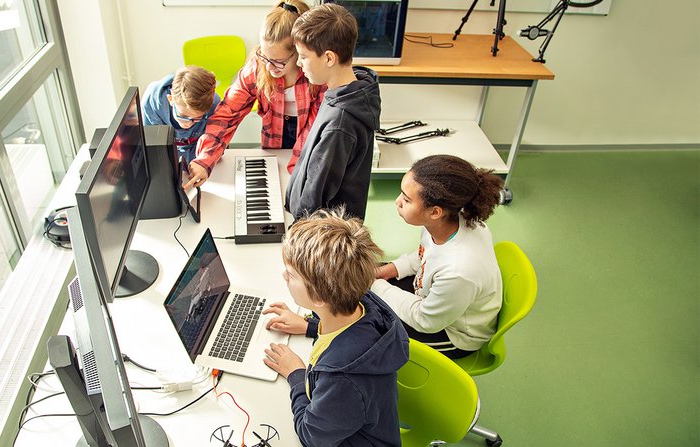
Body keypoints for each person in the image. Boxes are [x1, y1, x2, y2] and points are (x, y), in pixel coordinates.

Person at [262, 208, 409, 447]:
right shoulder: (362, 303)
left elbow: (311, 438)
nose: (284, 276)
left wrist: (296, 375)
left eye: (292, 275)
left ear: (319, 297)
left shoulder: (343, 382)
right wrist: (309, 325)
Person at [370, 154, 505, 359]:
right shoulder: (446, 223)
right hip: (437, 299)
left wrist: (375, 285)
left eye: (406, 199)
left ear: (435, 212)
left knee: (368, 331)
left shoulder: (459, 271)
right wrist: (390, 270)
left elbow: (426, 321)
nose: (397, 202)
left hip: (455, 334)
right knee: (366, 286)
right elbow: (424, 255)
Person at [184, 0, 326, 190]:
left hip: (311, 138)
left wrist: (297, 172)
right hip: (274, 139)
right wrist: (204, 159)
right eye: (264, 56)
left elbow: (316, 129)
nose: (269, 67)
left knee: (298, 187)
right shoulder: (257, 68)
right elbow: (227, 114)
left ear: (299, 52)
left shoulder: (317, 74)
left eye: (279, 61)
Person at [284, 3, 381, 220]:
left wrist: (297, 230)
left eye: (303, 56)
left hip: (321, 233)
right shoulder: (348, 92)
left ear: (329, 58)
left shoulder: (340, 124)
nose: (298, 63)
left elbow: (315, 199)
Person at [141, 65, 220, 164]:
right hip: (167, 157)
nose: (188, 124)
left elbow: (216, 145)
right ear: (170, 99)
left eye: (197, 118)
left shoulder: (214, 105)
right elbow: (153, 148)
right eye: (183, 117)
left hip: (199, 156)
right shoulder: (151, 103)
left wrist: (203, 161)